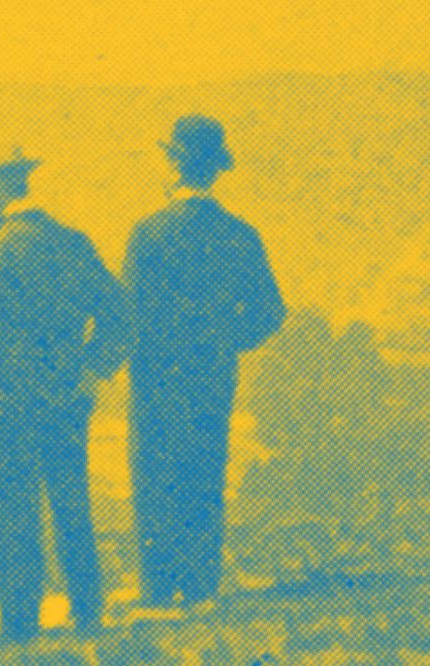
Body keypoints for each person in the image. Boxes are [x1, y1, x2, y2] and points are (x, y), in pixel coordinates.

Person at [0, 152, 130, 639]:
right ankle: (88, 612)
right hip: (68, 398)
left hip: (10, 404)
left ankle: (19, 623)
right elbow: (120, 315)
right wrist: (93, 370)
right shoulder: (73, 243)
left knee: (15, 509)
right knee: (72, 502)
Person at [124, 116, 286, 611]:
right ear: (216, 169)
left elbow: (129, 313)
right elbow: (270, 312)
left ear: (173, 164)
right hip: (212, 374)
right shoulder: (240, 235)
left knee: (154, 471)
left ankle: (157, 588)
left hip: (155, 374)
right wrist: (223, 341)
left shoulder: (148, 234)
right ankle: (200, 585)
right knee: (205, 470)